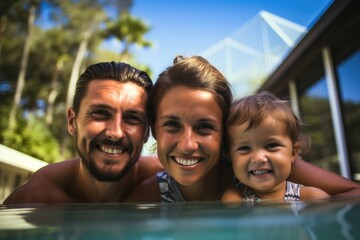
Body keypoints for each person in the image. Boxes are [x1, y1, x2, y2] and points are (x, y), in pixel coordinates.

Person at [126, 55, 360, 203]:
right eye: (172, 125)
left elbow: (354, 193)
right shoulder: (151, 196)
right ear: (154, 130)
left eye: (205, 127)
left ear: (225, 135)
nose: (188, 144)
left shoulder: (263, 168)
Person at [3, 61, 163, 204]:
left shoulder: (168, 183)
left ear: (147, 131)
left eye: (132, 118)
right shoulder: (36, 200)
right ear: (72, 121)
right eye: (100, 113)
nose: (115, 132)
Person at [221, 92, 329, 203]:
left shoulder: (310, 197)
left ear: (293, 152)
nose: (259, 158)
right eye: (244, 148)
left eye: (271, 146)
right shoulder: (235, 199)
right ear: (230, 156)